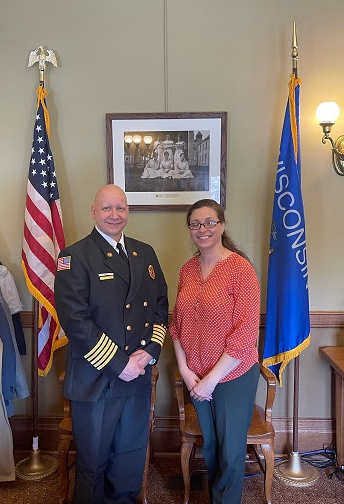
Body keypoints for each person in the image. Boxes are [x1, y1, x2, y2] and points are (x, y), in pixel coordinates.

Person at [54, 184, 168, 504]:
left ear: (128, 212)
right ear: (93, 212)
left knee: (129, 460)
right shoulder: (74, 257)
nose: (114, 215)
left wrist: (149, 352)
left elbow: (160, 306)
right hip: (97, 379)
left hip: (138, 376)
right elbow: (75, 322)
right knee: (93, 464)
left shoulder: (144, 252)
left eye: (121, 208)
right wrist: (121, 363)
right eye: (107, 208)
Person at [169, 199, 260, 504]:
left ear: (221, 225)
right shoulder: (187, 270)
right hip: (197, 376)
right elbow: (176, 324)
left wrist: (212, 380)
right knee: (210, 447)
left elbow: (246, 334)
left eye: (210, 222)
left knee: (231, 450)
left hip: (233, 375)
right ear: (190, 230)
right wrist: (185, 369)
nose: (203, 229)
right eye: (195, 224)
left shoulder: (240, 270)